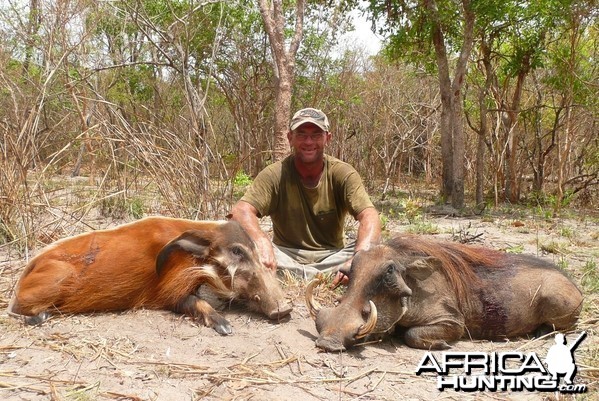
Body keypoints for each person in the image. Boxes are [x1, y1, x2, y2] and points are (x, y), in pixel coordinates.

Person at [229, 107, 381, 285]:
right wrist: (262, 241)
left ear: (328, 138)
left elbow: (369, 215)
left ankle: (304, 275)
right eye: (301, 134)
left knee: (376, 248)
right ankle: (323, 276)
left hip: (333, 256)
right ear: (290, 138)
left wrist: (358, 261)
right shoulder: (274, 174)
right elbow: (240, 211)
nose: (309, 142)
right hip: (284, 256)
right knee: (239, 243)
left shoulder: (343, 173)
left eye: (316, 134)